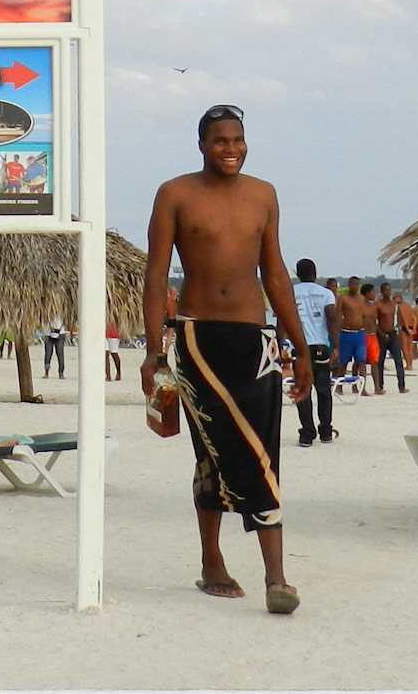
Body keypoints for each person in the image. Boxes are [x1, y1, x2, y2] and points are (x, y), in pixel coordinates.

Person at [142, 104, 310, 615]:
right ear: (201, 145)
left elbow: (275, 273)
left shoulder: (264, 195)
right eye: (220, 141)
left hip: (256, 339)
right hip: (197, 338)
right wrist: (153, 351)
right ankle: (212, 560)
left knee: (263, 452)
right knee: (212, 450)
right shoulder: (175, 193)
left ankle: (276, 578)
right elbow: (156, 276)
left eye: (237, 140)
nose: (230, 149)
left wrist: (301, 347)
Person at [289, 258, 338, 447]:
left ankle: (307, 433)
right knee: (324, 390)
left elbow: (283, 320)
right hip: (320, 346)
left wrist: (279, 344)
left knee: (303, 389)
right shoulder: (326, 293)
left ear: (297, 274)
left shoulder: (291, 292)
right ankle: (325, 431)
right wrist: (335, 346)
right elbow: (332, 318)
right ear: (315, 273)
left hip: (299, 347)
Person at [372, 283, 407, 396]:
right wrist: (381, 333)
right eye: (386, 290)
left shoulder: (394, 305)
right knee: (380, 361)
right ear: (382, 292)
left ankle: (402, 386)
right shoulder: (378, 305)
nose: (388, 292)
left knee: (398, 360)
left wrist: (399, 331)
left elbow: (398, 319)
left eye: (389, 290)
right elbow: (374, 321)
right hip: (381, 335)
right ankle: (380, 386)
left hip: (393, 335)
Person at [334, 277, 369, 384]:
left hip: (359, 334)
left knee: (361, 361)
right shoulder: (343, 298)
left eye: (357, 284)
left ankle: (361, 386)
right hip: (346, 333)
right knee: (343, 362)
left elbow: (365, 316)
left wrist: (367, 331)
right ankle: (339, 386)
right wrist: (336, 333)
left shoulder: (362, 299)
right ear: (349, 285)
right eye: (353, 284)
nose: (355, 286)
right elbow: (337, 316)